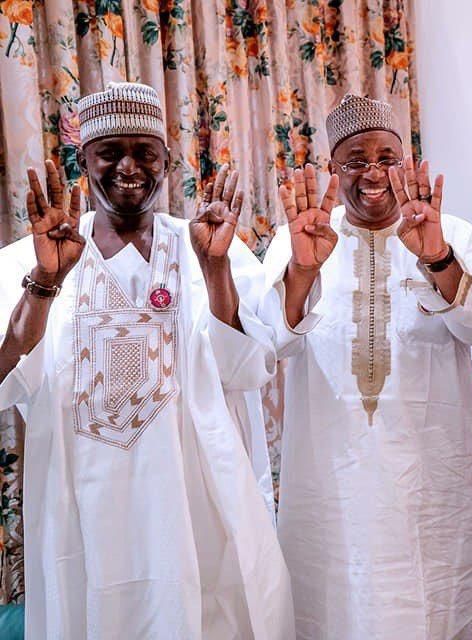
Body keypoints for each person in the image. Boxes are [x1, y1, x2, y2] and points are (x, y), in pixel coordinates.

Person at [0, 82, 293, 638]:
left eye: (145, 152)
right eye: (110, 153)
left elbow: (247, 369)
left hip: (194, 512)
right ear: (83, 159)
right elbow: (5, 377)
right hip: (80, 513)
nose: (128, 167)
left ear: (166, 160)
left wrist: (215, 269)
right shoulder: (28, 258)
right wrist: (45, 282)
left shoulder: (211, 247)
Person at [258, 94, 472, 639]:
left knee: (435, 613)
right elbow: (265, 344)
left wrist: (437, 256)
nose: (373, 172)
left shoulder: (454, 234)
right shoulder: (297, 240)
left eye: (387, 157)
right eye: (356, 159)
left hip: (431, 492)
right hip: (331, 491)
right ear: (332, 169)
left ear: (407, 161)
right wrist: (303, 270)